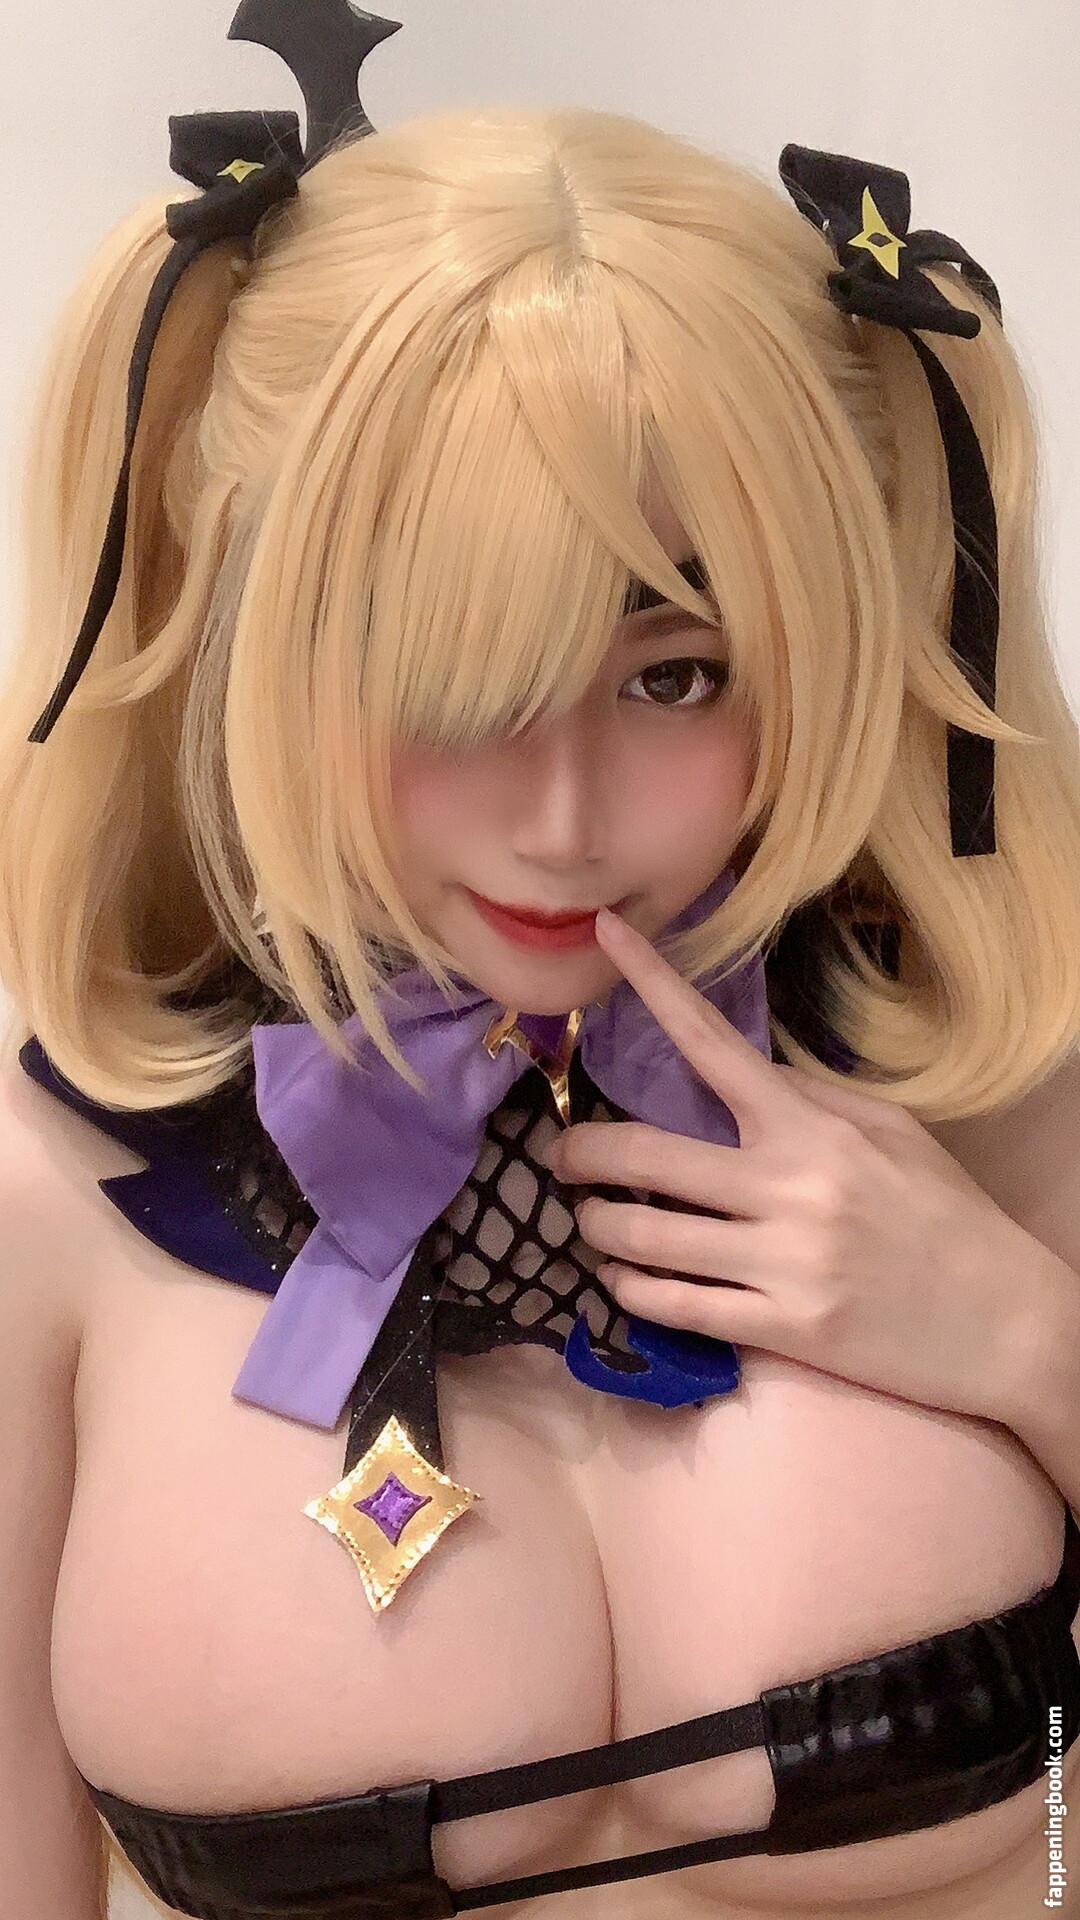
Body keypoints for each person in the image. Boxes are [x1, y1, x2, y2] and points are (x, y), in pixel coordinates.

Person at [2, 13, 1080, 1917]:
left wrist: (1028, 1344)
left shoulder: (992, 1078)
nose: (567, 822)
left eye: (679, 674)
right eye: (454, 684)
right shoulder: (41, 1194)